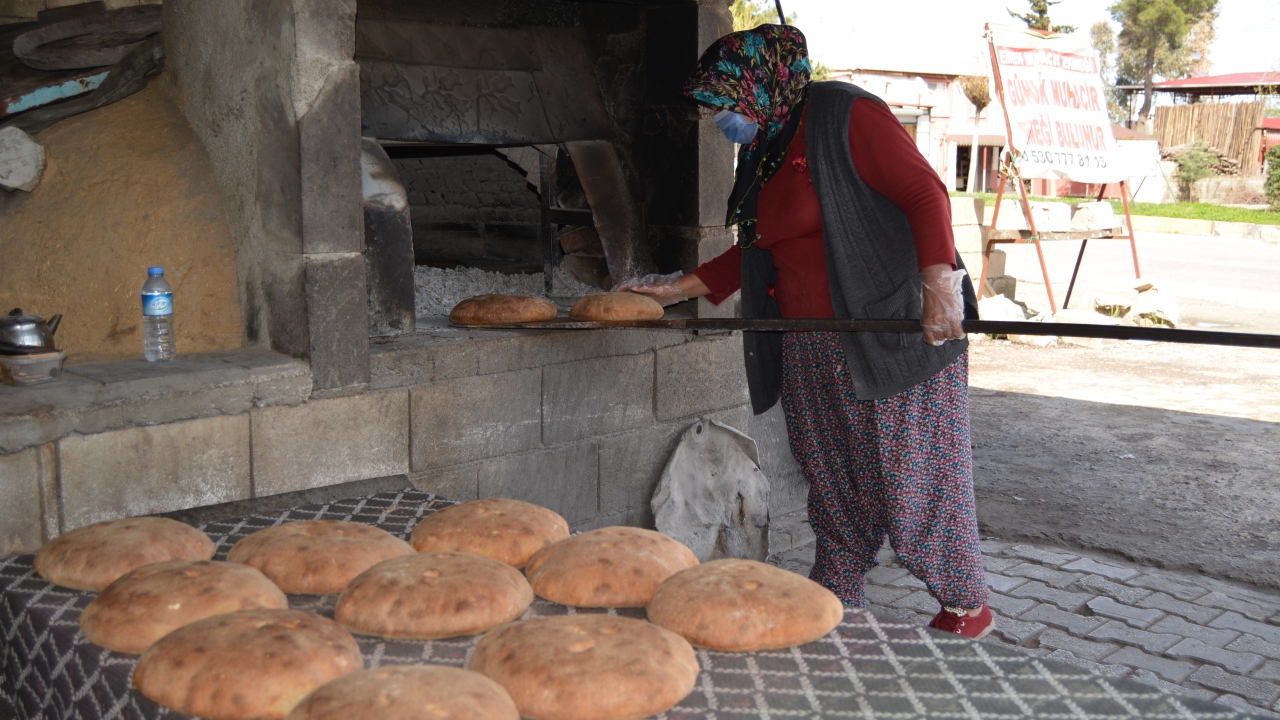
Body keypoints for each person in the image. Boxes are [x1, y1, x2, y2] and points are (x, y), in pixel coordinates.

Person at [618, 25, 993, 639]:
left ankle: (965, 603)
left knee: (915, 474)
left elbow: (925, 193)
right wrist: (676, 289)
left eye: (725, 102)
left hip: (889, 334)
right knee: (832, 472)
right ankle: (838, 588)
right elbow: (759, 248)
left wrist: (939, 285)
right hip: (809, 342)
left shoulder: (845, 114)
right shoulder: (766, 145)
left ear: (761, 83)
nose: (721, 119)